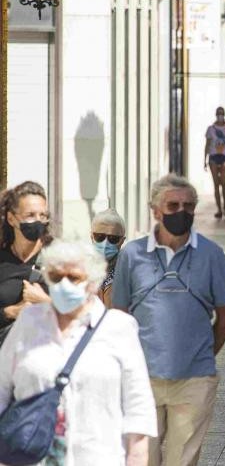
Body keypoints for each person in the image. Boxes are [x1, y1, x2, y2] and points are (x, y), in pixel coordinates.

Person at [112, 174, 225, 466]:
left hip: (194, 381)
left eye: (188, 206)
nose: (182, 212)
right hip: (142, 380)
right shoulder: (132, 255)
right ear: (156, 210)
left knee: (182, 460)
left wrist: (201, 355)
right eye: (173, 205)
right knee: (142, 460)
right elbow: (120, 316)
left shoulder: (212, 254)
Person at [0, 240, 157, 465]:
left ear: (93, 282)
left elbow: (138, 409)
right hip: (32, 457)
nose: (64, 285)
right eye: (56, 277)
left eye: (73, 278)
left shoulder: (119, 328)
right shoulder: (29, 320)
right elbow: (3, 389)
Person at [0, 181, 53, 342]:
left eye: (42, 215)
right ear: (11, 218)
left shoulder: (59, 259)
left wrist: (45, 302)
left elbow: (81, 313)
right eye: (30, 215)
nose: (38, 221)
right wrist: (12, 311)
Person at [204, 106, 225, 218]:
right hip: (213, 156)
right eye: (218, 113)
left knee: (223, 182)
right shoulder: (211, 129)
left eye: (222, 113)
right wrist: (204, 159)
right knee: (216, 184)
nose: (220, 116)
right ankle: (219, 208)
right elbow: (207, 145)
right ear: (216, 114)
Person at [91, 209, 126, 307]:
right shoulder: (81, 271)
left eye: (113, 239)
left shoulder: (129, 272)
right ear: (92, 237)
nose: (105, 243)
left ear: (122, 241)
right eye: (99, 237)